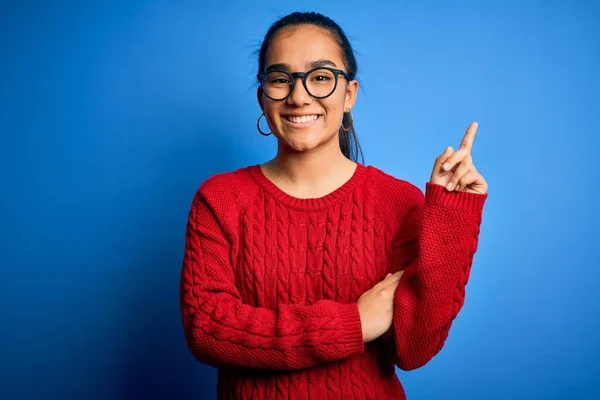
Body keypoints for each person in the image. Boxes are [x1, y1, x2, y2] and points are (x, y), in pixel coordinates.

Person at [179, 11, 488, 400]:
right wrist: (352, 323)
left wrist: (452, 221)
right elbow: (207, 329)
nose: (299, 95)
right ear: (263, 97)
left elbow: (414, 349)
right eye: (280, 79)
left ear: (349, 95)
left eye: (321, 77)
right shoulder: (220, 198)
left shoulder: (400, 202)